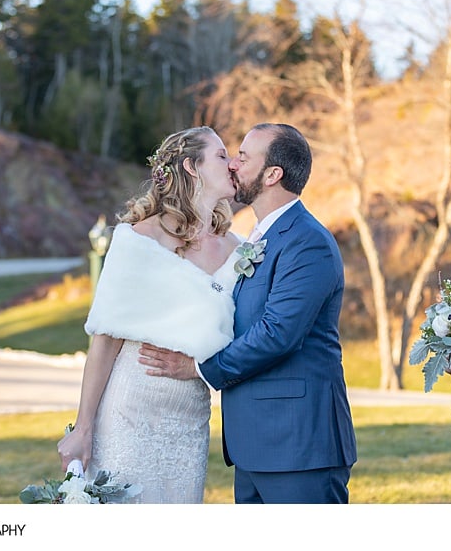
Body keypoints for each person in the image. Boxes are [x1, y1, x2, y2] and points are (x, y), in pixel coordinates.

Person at [140, 123, 357, 503]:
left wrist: (198, 368)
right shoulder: (257, 237)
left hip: (300, 445)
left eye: (243, 157)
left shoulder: (308, 243)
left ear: (273, 175)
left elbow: (278, 333)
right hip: (254, 445)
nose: (233, 165)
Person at [55, 126, 238, 503]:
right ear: (191, 166)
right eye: (221, 155)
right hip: (130, 411)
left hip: (190, 414)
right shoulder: (138, 239)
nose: (233, 163)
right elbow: (105, 339)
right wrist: (83, 426)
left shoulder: (240, 249)